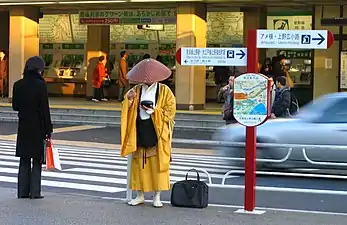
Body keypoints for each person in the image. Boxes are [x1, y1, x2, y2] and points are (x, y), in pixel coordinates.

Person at [121, 58, 176, 208]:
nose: (148, 80)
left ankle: (157, 196)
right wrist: (130, 100)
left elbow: (170, 111)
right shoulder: (137, 89)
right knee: (140, 164)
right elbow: (126, 106)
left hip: (157, 131)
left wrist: (155, 111)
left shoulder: (165, 91)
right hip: (140, 128)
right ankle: (140, 195)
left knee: (157, 165)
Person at [12, 56, 53, 199]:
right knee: (36, 159)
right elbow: (44, 109)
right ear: (39, 69)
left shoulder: (18, 84)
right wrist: (49, 129)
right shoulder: (40, 85)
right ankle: (35, 192)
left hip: (23, 126)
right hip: (38, 126)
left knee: (24, 159)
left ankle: (22, 192)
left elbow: (15, 106)